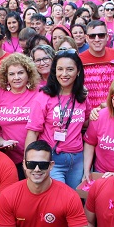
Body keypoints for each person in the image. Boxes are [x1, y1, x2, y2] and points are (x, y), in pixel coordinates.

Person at [26, 52, 90, 189]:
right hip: (52, 159)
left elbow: (85, 122)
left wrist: (98, 112)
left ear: (78, 71)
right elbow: (33, 132)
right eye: (60, 69)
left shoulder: (82, 97)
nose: (64, 74)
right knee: (59, 197)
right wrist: (28, 162)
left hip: (77, 159)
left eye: (70, 69)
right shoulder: (44, 97)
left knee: (75, 197)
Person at [78, 21, 114, 111]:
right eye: (92, 36)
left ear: (107, 37)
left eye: (101, 35)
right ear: (86, 38)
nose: (97, 39)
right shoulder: (79, 60)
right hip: (88, 112)